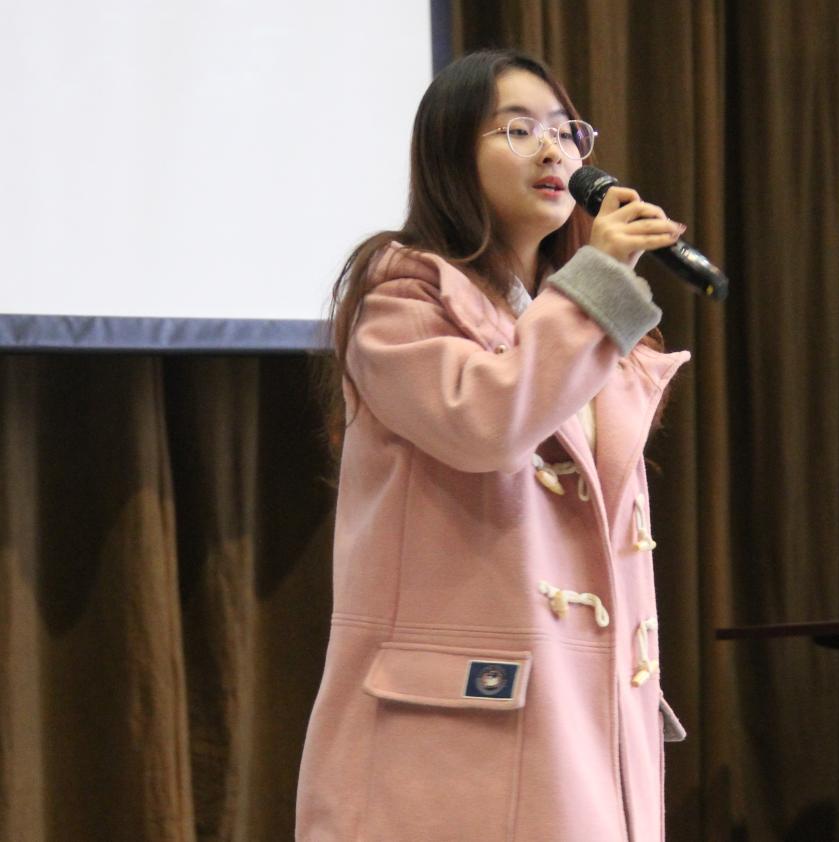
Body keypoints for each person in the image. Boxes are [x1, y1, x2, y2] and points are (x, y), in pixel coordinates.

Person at [296, 48, 690, 842]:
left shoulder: (569, 317)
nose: (553, 151)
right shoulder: (401, 296)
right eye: (517, 130)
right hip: (457, 741)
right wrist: (600, 279)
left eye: (565, 131)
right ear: (451, 155)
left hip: (585, 723)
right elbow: (487, 422)